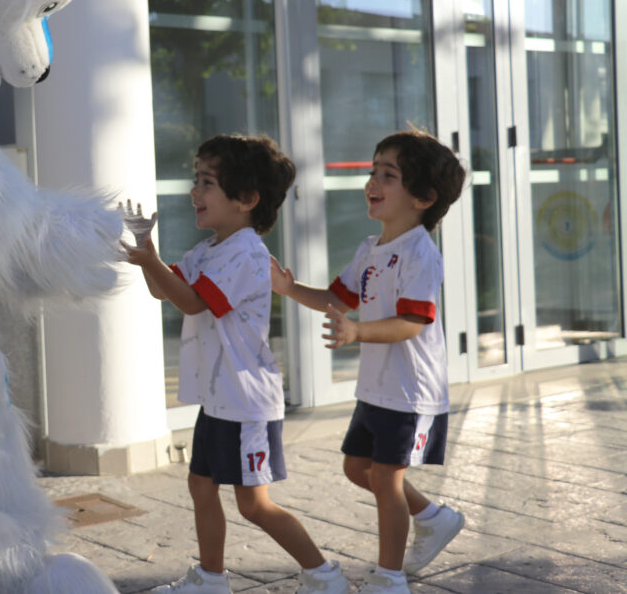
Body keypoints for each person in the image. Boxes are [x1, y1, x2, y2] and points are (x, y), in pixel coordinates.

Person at [124, 134, 348, 594]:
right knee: (201, 486)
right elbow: (163, 290)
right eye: (196, 180)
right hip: (220, 399)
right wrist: (147, 253)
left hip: (246, 403)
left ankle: (325, 575)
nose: (194, 192)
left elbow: (191, 302)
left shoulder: (245, 253)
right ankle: (211, 579)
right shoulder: (210, 249)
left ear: (246, 199)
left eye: (206, 183)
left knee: (254, 505)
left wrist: (149, 259)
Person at [272, 130, 467, 594]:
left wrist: (357, 331)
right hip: (377, 388)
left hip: (411, 391)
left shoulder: (420, 254)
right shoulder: (370, 249)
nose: (372, 182)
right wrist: (289, 288)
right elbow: (336, 298)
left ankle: (390, 578)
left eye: (388, 175)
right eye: (372, 171)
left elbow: (412, 322)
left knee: (385, 478)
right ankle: (433, 517)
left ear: (423, 198)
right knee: (357, 468)